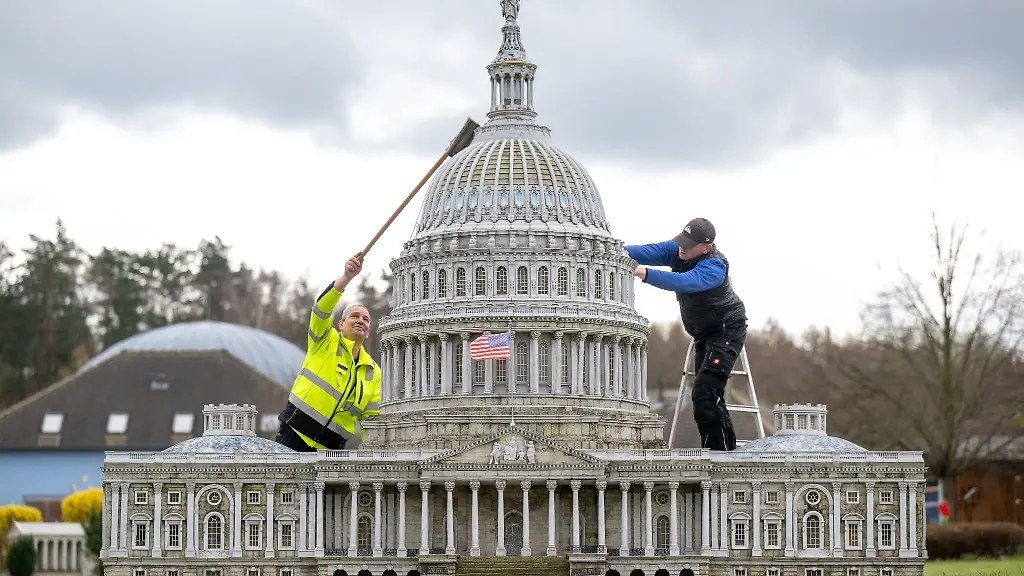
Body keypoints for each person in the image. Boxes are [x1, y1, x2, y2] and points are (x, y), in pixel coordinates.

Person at [625, 218, 747, 451]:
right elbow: (645, 251)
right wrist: (607, 250)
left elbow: (682, 282)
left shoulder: (715, 267)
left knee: (704, 393)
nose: (682, 247)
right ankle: (727, 452)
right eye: (682, 241)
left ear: (706, 248)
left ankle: (717, 458)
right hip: (703, 334)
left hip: (726, 332)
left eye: (689, 245)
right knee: (709, 396)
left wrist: (642, 272)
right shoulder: (678, 251)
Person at [274, 253, 382, 451]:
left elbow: (371, 419)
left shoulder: (373, 372)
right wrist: (347, 277)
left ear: (368, 331)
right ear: (341, 324)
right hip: (294, 436)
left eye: (366, 319)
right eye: (355, 316)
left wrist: (374, 452)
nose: (361, 321)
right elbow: (321, 309)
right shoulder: (325, 340)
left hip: (331, 451)